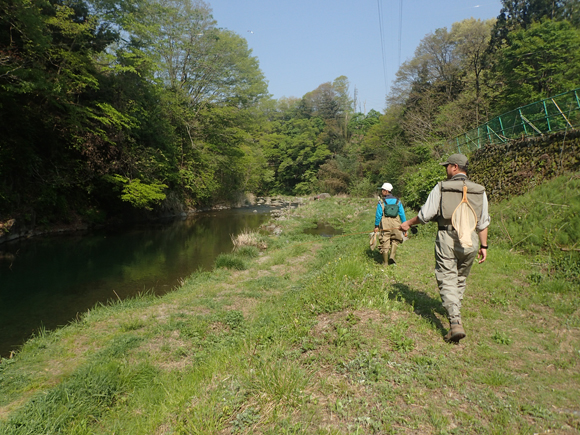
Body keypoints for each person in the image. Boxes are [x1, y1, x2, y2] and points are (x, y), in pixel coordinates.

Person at [399, 154, 490, 343]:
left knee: (447, 276)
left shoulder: (442, 187)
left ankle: (455, 322)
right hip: (471, 238)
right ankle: (455, 307)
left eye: (447, 166)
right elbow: (483, 222)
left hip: (447, 235)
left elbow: (426, 215)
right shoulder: (480, 190)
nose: (445, 169)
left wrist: (408, 223)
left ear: (455, 167)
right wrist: (484, 245)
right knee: (460, 277)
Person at [374, 183, 407, 265]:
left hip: (385, 224)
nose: (381, 192)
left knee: (385, 241)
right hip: (396, 223)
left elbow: (378, 215)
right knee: (396, 239)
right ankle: (392, 256)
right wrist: (405, 224)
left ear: (386, 191)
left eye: (382, 190)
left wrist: (376, 226)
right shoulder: (398, 201)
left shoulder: (381, 202)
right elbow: (402, 214)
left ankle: (385, 263)